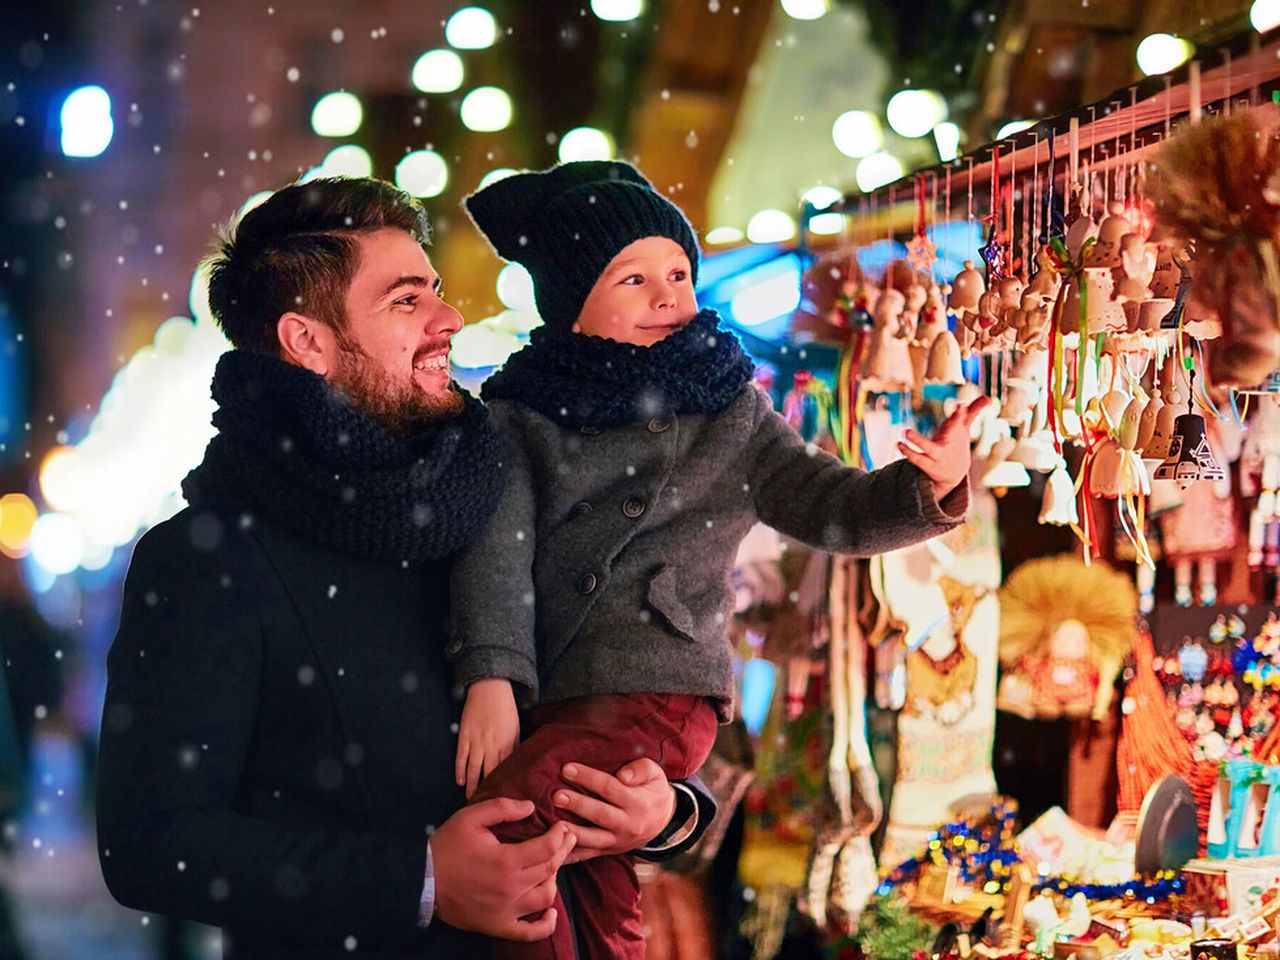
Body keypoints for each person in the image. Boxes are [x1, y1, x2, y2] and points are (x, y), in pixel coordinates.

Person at [95, 177, 712, 960]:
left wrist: (663, 816)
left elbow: (626, 696)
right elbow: (154, 842)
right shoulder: (208, 559)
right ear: (306, 341)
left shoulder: (501, 501)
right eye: (406, 301)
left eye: (437, 293)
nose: (449, 320)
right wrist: (419, 880)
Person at [448, 160, 988, 959]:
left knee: (516, 825)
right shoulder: (517, 414)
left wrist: (925, 488)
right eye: (632, 278)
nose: (669, 294)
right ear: (569, 307)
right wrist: (492, 676)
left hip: (656, 684)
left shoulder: (728, 406)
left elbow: (824, 501)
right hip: (552, 689)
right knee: (586, 873)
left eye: (677, 272)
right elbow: (495, 549)